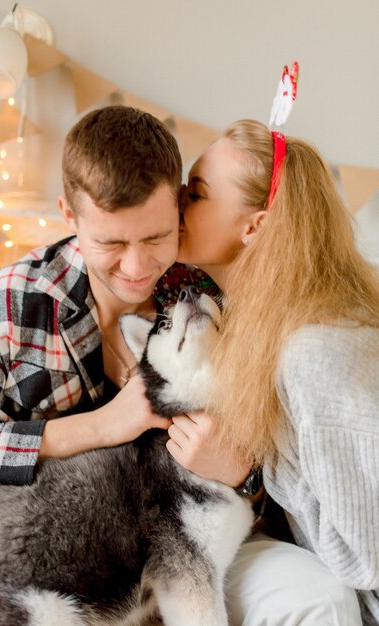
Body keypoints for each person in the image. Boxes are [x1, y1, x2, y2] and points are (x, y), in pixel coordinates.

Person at [175, 119, 379, 624]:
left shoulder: (316, 350)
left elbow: (364, 556)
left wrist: (246, 473)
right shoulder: (251, 319)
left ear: (255, 227)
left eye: (196, 193)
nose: (177, 201)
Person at [0, 105, 217, 500]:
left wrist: (242, 473)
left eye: (155, 238)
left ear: (179, 206)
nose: (136, 267)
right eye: (110, 243)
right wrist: (100, 426)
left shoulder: (207, 295)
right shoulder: (0, 310)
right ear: (69, 216)